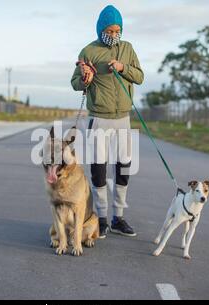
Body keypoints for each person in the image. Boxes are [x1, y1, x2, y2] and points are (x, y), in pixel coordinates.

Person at [70, 5, 144, 238]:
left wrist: (123, 68)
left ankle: (118, 218)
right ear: (101, 29)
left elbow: (140, 77)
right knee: (99, 170)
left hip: (123, 117)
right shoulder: (89, 51)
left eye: (117, 31)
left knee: (123, 167)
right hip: (99, 119)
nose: (113, 35)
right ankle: (100, 219)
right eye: (109, 31)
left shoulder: (128, 48)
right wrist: (85, 78)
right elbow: (75, 83)